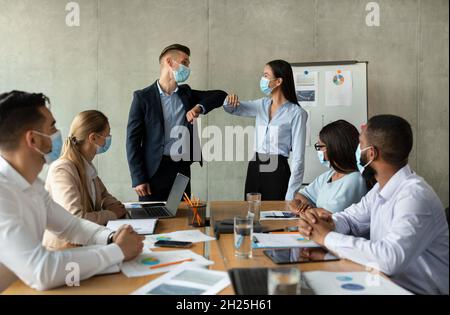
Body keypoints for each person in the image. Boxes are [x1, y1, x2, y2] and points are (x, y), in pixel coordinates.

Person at [0, 91, 144, 291]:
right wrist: (117, 251)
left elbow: (72, 226)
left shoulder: (32, 184)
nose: (59, 133)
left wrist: (111, 237)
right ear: (33, 140)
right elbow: (41, 270)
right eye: (52, 127)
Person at [297, 114, 449, 295]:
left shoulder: (415, 197)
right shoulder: (380, 189)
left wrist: (326, 237)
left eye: (359, 144)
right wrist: (326, 221)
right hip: (382, 283)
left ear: (371, 153)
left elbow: (389, 259)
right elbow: (351, 219)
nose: (356, 149)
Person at [126, 44, 227, 201]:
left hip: (181, 169)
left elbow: (220, 95)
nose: (188, 67)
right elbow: (132, 141)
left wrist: (198, 108)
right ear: (169, 62)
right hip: (153, 172)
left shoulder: (186, 94)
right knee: (153, 219)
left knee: (180, 218)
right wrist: (138, 178)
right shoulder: (143, 98)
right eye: (184, 62)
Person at [224, 60, 308, 200]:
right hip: (255, 166)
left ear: (278, 81)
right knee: (251, 214)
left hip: (277, 170)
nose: (262, 79)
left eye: (266, 75)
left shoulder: (297, 113)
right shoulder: (261, 104)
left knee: (275, 217)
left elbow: (299, 158)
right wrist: (228, 100)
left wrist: (291, 194)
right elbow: (233, 109)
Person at [43, 110, 127, 250]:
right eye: (107, 135)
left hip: (85, 243)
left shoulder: (86, 166)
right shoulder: (62, 169)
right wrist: (112, 214)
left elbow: (105, 196)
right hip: (64, 249)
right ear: (93, 138)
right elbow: (76, 219)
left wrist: (116, 207)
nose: (109, 138)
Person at [290, 120, 369, 214]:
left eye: (320, 147)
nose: (319, 151)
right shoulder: (329, 175)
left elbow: (327, 214)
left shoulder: (355, 179)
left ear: (335, 148)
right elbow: (298, 196)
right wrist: (302, 208)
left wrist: (305, 210)